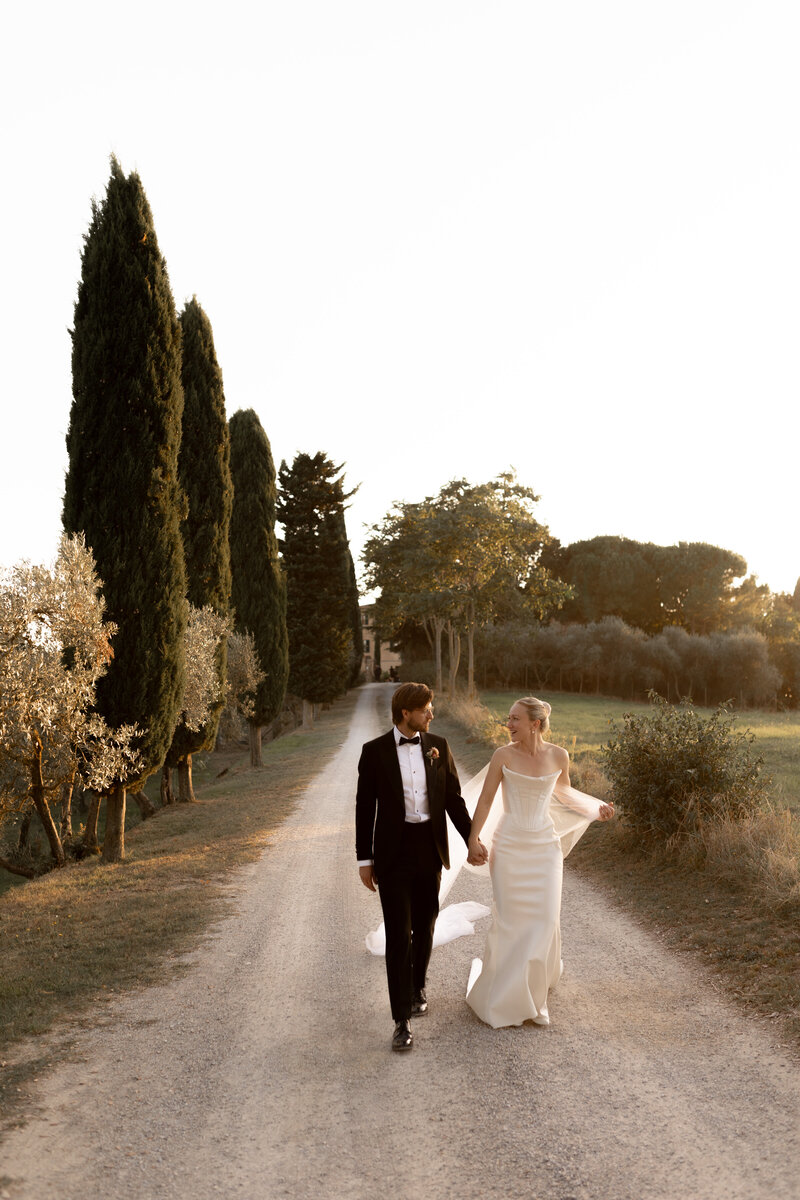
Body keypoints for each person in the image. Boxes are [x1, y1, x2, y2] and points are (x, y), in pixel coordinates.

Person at [465, 696, 614, 1029]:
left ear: (535, 723)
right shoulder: (502, 755)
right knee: (511, 922)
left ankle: (533, 996)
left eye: (515, 719)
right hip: (509, 847)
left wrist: (596, 810)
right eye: (508, 718)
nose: (509, 724)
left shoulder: (559, 755)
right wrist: (474, 839)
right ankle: (507, 997)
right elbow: (487, 799)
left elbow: (565, 796)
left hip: (545, 848)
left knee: (545, 921)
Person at [356, 682, 487, 1051]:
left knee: (425, 925)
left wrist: (470, 840)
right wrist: (364, 859)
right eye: (426, 708)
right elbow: (365, 809)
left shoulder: (438, 746)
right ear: (405, 713)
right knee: (399, 935)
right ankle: (401, 1020)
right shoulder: (374, 752)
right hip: (392, 855)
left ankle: (417, 987)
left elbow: (453, 800)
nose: (432, 714)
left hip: (430, 850)